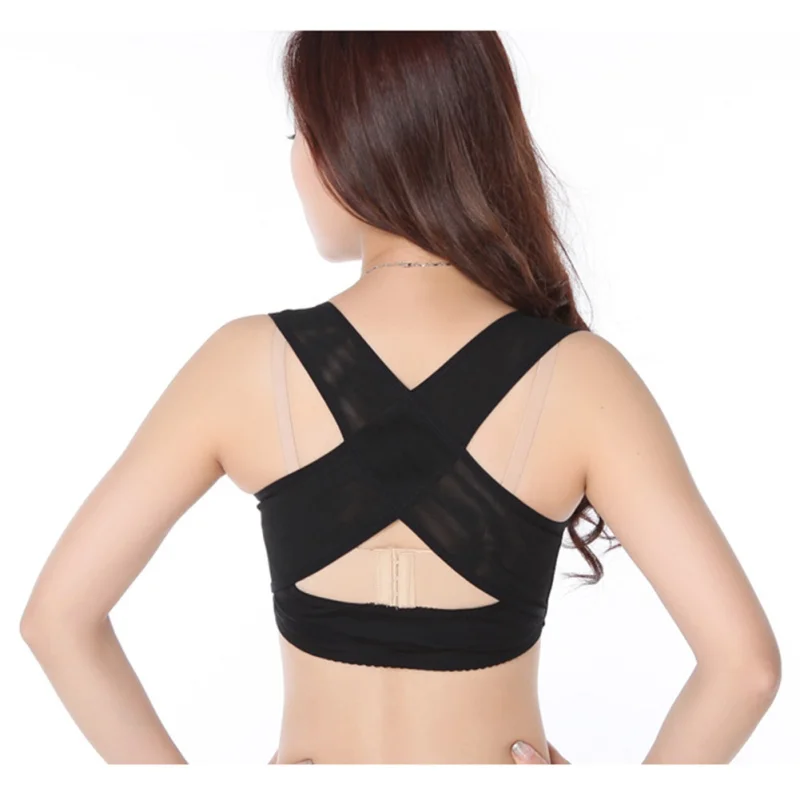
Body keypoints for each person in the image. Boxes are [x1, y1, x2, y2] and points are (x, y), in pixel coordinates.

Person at [20, 32, 780, 765]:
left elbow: (58, 620)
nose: (296, 160)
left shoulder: (244, 364)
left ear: (353, 140)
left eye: (300, 131)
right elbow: (744, 669)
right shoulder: (583, 378)